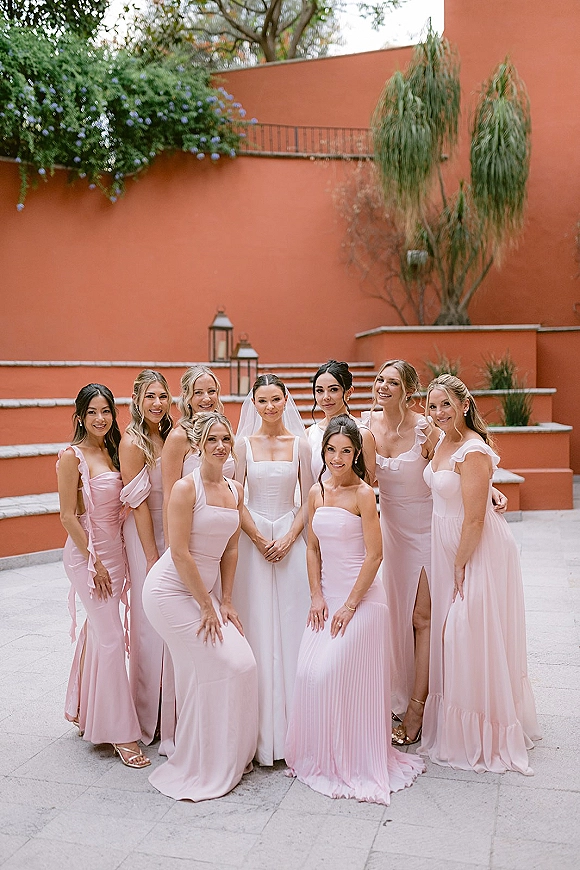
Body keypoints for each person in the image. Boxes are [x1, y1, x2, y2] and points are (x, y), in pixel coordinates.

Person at [285, 415, 424, 804]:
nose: (338, 457)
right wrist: (317, 596)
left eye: (346, 451)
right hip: (327, 598)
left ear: (357, 454)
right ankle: (323, 755)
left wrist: (349, 605)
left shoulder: (364, 494)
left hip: (363, 600)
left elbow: (376, 554)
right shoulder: (316, 493)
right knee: (308, 673)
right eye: (332, 450)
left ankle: (354, 757)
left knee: (331, 671)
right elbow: (312, 549)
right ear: (324, 451)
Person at [420, 375, 540, 774]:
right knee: (455, 633)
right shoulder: (441, 440)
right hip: (445, 541)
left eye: (446, 406)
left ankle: (484, 731)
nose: (438, 413)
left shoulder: (473, 449)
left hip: (473, 547)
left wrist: (460, 563)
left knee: (466, 635)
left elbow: (472, 519)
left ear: (464, 404)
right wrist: (491, 490)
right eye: (433, 405)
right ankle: (459, 722)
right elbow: (460, 489)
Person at [142, 412, 258, 800]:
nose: (221, 447)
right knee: (219, 665)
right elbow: (179, 553)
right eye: (212, 440)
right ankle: (200, 759)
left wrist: (224, 601)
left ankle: (222, 753)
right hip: (170, 591)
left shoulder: (235, 489)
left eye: (226, 439)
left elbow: (232, 546)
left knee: (244, 663)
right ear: (197, 445)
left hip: (205, 596)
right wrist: (205, 606)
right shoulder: (184, 490)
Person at [57, 384, 149, 769]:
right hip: (87, 556)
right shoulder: (71, 456)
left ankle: (83, 708)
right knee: (111, 640)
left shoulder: (114, 451)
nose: (100, 418)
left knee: (100, 632)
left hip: (116, 553)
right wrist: (93, 561)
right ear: (80, 416)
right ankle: (121, 734)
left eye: (106, 411)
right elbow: (66, 515)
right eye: (92, 411)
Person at [233, 374, 313, 765]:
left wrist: (288, 536)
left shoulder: (299, 445)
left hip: (288, 540)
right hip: (253, 544)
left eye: (275, 400)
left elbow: (310, 499)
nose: (269, 407)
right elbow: (235, 498)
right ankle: (259, 736)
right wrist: (258, 538)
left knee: (291, 628)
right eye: (262, 400)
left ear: (286, 401)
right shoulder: (242, 446)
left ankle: (295, 732)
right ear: (254, 404)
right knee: (258, 630)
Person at [362, 360, 439, 745]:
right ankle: (398, 691)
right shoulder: (367, 429)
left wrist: (489, 490)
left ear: (409, 389)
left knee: (422, 616)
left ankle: (417, 706)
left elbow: (457, 462)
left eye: (393, 382)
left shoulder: (426, 427)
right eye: (380, 379)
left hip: (426, 530)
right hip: (392, 534)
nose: (383, 386)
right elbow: (363, 480)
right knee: (396, 616)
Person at [119, 370, 173, 747]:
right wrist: (153, 556)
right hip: (143, 538)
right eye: (150, 396)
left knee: (170, 623)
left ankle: (169, 706)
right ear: (137, 399)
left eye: (162, 396)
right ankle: (144, 715)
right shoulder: (133, 441)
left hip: (171, 531)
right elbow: (137, 504)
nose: (157, 403)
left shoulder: (170, 435)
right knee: (147, 624)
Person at [161, 365, 233, 541]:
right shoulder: (179, 437)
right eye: (198, 392)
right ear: (187, 397)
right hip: (191, 531)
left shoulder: (224, 431)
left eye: (211, 391)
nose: (206, 398)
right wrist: (172, 548)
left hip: (224, 530)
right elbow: (169, 496)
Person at [306, 360, 375, 483]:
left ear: (349, 392)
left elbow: (366, 485)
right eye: (320, 390)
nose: (326, 397)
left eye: (333, 390)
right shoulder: (309, 435)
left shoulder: (363, 434)